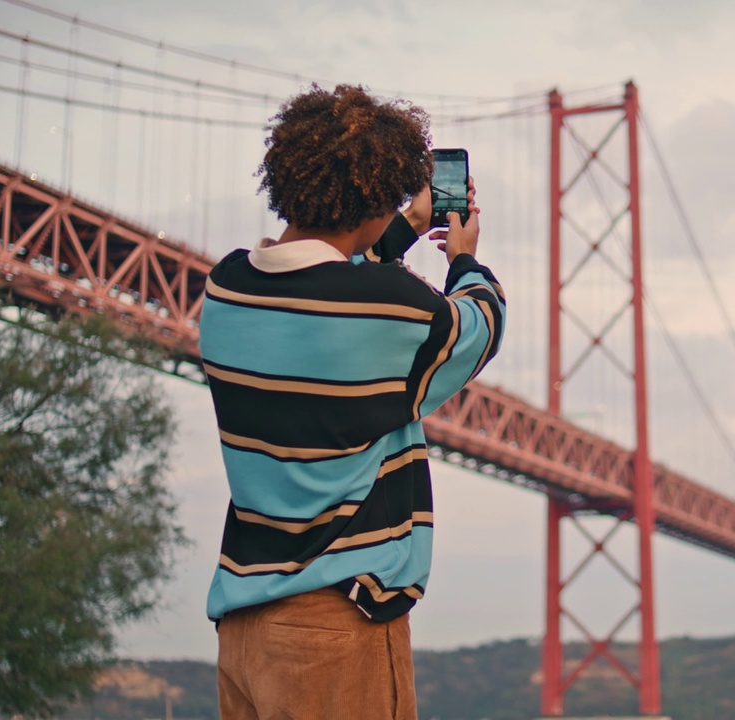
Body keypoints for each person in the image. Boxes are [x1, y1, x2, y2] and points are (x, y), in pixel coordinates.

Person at [197, 84, 505, 719]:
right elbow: (480, 325)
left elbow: (334, 281)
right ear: (371, 200)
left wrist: (405, 227)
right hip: (337, 623)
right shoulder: (391, 302)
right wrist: (465, 258)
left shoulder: (226, 287)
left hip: (245, 630)